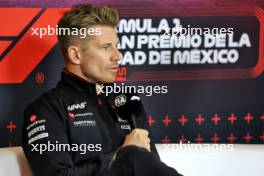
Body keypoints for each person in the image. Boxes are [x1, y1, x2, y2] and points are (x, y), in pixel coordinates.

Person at [22, 3, 182, 176]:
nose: (117, 55)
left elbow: (151, 168)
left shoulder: (127, 101)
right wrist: (123, 157)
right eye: (106, 47)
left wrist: (130, 157)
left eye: (117, 45)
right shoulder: (46, 110)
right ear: (76, 55)